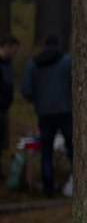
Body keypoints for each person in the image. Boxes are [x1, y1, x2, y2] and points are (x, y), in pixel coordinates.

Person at [21, 33, 73, 198]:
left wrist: (38, 100)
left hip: (44, 113)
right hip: (65, 111)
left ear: (44, 44)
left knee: (46, 152)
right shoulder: (67, 61)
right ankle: (78, 180)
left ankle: (48, 188)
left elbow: (26, 89)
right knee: (73, 148)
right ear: (59, 43)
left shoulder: (34, 63)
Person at [0, 35, 21, 180]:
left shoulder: (7, 64)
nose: (15, 52)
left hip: (4, 107)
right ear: (7, 46)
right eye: (14, 49)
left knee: (2, 140)